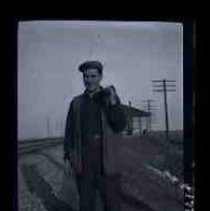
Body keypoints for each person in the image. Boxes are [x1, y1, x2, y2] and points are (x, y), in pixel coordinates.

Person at [63, 61, 126, 211]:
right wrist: (67, 156)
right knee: (86, 203)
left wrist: (112, 103)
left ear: (100, 77)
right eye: (86, 76)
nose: (89, 80)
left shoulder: (110, 98)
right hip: (84, 158)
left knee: (112, 203)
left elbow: (120, 126)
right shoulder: (76, 103)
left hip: (107, 157)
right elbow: (69, 131)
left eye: (93, 76)